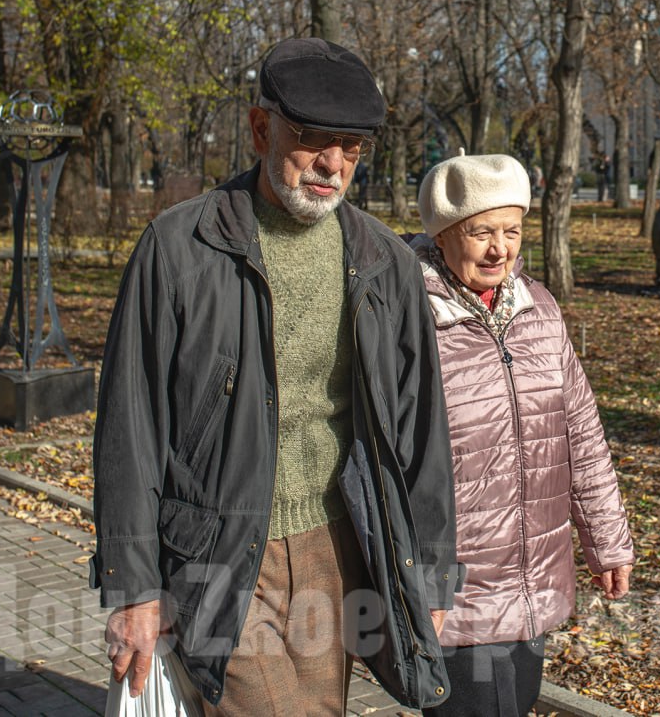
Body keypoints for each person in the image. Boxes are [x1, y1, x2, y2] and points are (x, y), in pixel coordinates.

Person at [91, 37, 460, 714]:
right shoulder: (179, 249)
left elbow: (423, 434)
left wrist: (431, 577)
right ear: (261, 128)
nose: (332, 164)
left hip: (335, 546)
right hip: (219, 547)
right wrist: (133, 587)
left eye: (351, 148)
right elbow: (129, 425)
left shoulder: (387, 265)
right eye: (312, 139)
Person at [408, 152, 635, 717]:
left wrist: (606, 542)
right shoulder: (407, 317)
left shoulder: (539, 310)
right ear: (443, 235)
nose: (499, 249)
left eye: (511, 231)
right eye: (481, 232)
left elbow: (580, 431)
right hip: (456, 589)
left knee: (518, 702)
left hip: (534, 579)